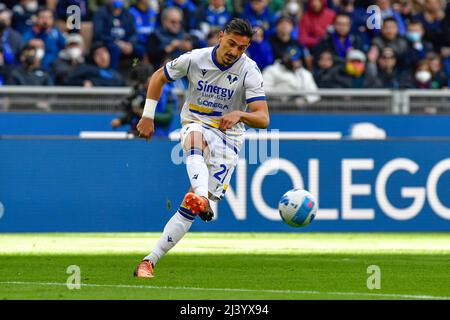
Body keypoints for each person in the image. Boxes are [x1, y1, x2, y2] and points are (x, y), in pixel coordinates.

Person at [133, 18, 270, 278]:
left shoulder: (249, 70)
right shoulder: (195, 58)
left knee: (189, 210)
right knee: (196, 138)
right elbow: (158, 76)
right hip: (197, 123)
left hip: (230, 139)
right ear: (220, 37)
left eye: (241, 48)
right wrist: (148, 115)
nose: (234, 52)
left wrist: (240, 114)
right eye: (231, 44)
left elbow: (263, 119)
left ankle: (149, 261)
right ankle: (202, 197)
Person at [111, 64, 177, 137]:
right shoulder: (140, 91)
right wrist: (121, 121)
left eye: (144, 81)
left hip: (159, 136)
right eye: (141, 82)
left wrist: (145, 114)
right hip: (139, 134)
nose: (143, 84)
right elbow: (134, 112)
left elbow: (168, 117)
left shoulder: (167, 92)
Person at [92, 0, 141, 69]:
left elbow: (134, 33)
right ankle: (112, 73)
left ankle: (135, 69)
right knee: (115, 49)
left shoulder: (128, 14)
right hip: (107, 43)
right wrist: (116, 42)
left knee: (139, 49)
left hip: (125, 43)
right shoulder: (101, 13)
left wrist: (130, 43)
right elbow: (98, 33)